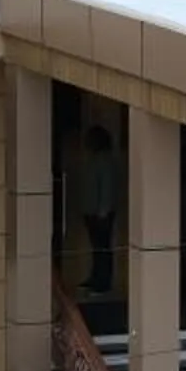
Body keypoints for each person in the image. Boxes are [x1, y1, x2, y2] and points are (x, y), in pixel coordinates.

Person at [70, 124, 122, 295]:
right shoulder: (92, 159)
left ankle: (103, 283)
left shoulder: (104, 161)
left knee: (102, 247)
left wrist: (103, 210)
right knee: (97, 247)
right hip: (92, 211)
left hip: (101, 213)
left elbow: (106, 187)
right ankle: (95, 278)